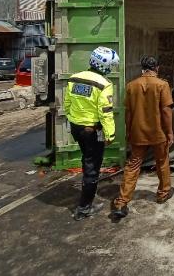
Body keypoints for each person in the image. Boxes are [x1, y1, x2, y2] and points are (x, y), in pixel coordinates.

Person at [112, 56, 174, 219]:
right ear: (157, 68)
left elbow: (128, 113)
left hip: (137, 132)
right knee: (162, 161)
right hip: (158, 132)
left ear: (143, 68)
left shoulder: (131, 86)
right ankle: (163, 193)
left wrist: (128, 131)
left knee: (133, 165)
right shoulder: (162, 85)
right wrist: (170, 132)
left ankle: (121, 202)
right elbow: (166, 111)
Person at [64, 46, 118, 221]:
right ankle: (84, 208)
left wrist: (73, 119)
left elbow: (67, 103)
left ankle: (85, 202)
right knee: (92, 168)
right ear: (106, 66)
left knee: (87, 160)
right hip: (92, 131)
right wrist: (110, 135)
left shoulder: (74, 78)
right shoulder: (104, 84)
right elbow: (106, 112)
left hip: (76, 127)